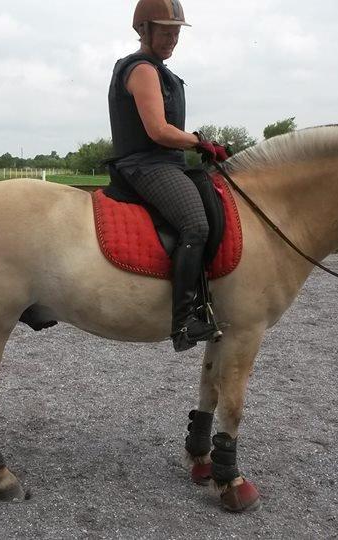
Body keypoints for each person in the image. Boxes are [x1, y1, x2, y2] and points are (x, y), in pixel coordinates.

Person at [108, 0, 229, 352]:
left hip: (167, 163)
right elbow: (159, 131)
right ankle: (183, 322)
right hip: (146, 164)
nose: (172, 39)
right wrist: (199, 141)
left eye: (176, 33)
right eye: (165, 32)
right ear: (144, 30)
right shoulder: (142, 69)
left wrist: (202, 145)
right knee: (196, 224)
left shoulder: (163, 72)